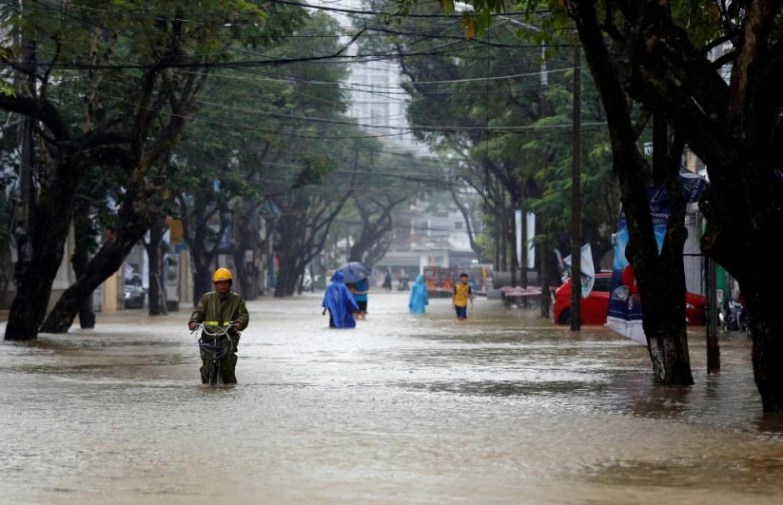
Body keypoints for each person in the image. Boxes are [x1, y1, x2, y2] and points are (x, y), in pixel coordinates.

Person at [188, 267, 249, 385]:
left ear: (230, 284)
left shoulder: (237, 300)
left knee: (227, 365)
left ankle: (230, 390)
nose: (223, 285)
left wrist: (239, 323)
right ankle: (207, 389)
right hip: (208, 336)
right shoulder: (207, 298)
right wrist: (193, 322)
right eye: (220, 283)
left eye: (226, 282)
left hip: (228, 337)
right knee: (206, 367)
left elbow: (243, 315)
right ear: (215, 284)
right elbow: (198, 312)